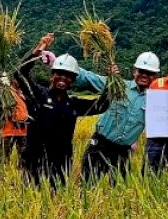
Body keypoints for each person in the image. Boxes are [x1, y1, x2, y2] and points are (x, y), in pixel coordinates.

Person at [20, 33, 110, 189]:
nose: (63, 78)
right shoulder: (37, 95)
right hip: (34, 160)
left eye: (69, 76)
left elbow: (102, 105)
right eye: (59, 73)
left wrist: (112, 79)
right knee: (31, 201)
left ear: (73, 81)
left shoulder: (74, 104)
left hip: (61, 163)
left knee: (57, 204)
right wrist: (38, 49)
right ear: (52, 76)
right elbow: (20, 73)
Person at [74, 49, 160, 183]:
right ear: (134, 71)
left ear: (155, 76)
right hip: (100, 145)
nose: (144, 75)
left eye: (149, 73)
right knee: (87, 186)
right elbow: (89, 78)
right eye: (141, 71)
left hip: (123, 152)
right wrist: (61, 65)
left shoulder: (156, 99)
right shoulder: (118, 86)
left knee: (119, 193)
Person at [0, 77, 28, 162]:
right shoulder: (6, 92)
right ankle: (1, 174)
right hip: (7, 131)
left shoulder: (24, 93)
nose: (19, 82)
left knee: (24, 158)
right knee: (3, 158)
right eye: (17, 79)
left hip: (22, 131)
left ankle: (22, 174)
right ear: (12, 80)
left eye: (21, 80)